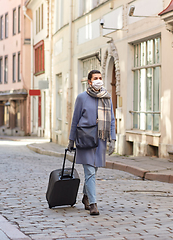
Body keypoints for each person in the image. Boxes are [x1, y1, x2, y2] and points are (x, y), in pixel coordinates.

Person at [67, 69, 116, 215]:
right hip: (85, 138)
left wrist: (112, 139)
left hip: (100, 139)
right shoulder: (81, 97)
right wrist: (71, 140)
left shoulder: (106, 98)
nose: (98, 80)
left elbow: (111, 120)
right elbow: (75, 120)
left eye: (100, 77)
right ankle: (93, 204)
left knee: (93, 171)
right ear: (89, 81)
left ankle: (86, 197)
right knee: (89, 171)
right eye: (95, 78)